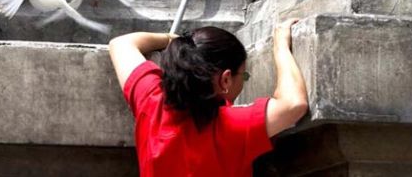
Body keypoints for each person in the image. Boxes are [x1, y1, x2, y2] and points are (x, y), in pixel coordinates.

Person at [108, 19, 308, 176]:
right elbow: (293, 104)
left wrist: (171, 40)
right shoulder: (230, 126)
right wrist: (280, 46)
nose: (243, 80)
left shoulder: (151, 100)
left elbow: (121, 44)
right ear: (225, 80)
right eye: (243, 75)